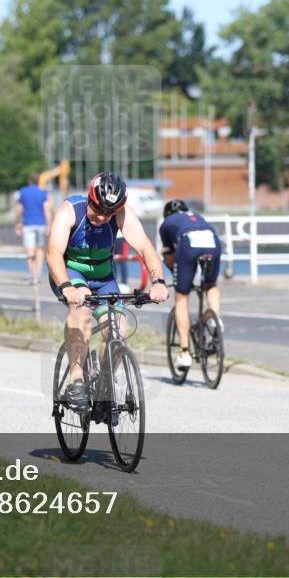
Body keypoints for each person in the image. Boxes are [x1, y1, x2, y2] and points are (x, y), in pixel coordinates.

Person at [46, 171, 169, 407]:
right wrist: (67, 287)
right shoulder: (70, 210)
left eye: (109, 212)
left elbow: (145, 247)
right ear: (90, 198)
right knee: (81, 308)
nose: (102, 217)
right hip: (71, 272)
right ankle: (76, 380)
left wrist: (158, 282)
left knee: (118, 331)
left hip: (104, 278)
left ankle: (104, 381)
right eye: (98, 209)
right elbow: (53, 254)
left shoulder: (121, 213)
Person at [159, 199, 223, 373]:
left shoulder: (166, 224)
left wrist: (176, 273)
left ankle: (184, 353)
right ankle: (214, 318)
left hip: (188, 244)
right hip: (212, 241)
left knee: (182, 298)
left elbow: (170, 256)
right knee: (211, 285)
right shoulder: (196, 215)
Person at [15, 172, 52, 283]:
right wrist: (49, 225)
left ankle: (32, 274)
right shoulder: (43, 192)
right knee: (40, 249)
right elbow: (47, 210)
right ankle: (39, 273)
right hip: (41, 224)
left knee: (30, 250)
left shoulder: (23, 192)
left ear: (29, 181)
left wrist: (18, 222)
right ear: (38, 181)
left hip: (28, 224)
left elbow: (19, 209)